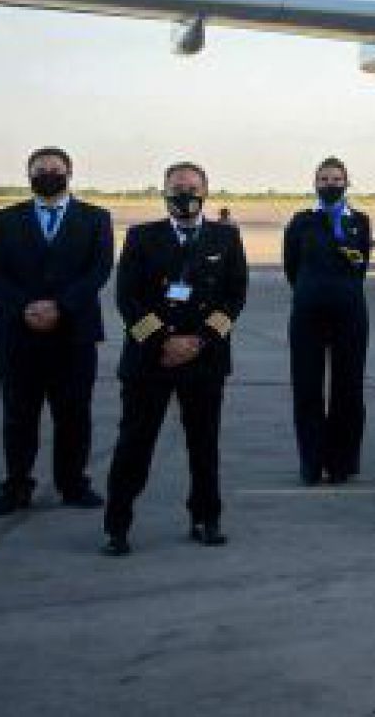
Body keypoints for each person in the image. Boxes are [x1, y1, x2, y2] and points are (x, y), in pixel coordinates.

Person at [101, 162, 247, 555]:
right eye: (176, 187)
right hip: (150, 361)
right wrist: (163, 342)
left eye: (192, 187)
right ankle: (117, 526)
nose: (184, 194)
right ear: (164, 191)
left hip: (204, 359)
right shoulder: (141, 237)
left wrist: (199, 341)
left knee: (204, 446)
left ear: (206, 191)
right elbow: (126, 299)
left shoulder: (226, 238)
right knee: (134, 444)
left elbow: (234, 298)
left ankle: (206, 518)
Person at [0, 146, 114, 516]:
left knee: (74, 413)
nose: (48, 174)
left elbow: (99, 270)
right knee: (19, 414)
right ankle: (16, 485)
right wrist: (25, 306)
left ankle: (73, 483)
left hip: (74, 334)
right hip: (18, 334)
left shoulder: (96, 218)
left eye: (55, 169)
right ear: (29, 175)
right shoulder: (6, 218)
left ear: (70, 173)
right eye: (40, 169)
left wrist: (61, 307)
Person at [282, 157, 372, 486]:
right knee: (307, 387)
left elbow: (360, 267)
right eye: (323, 179)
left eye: (336, 179)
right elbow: (291, 266)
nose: (330, 184)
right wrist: (312, 291)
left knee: (348, 388)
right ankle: (311, 461)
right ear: (315, 183)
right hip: (308, 313)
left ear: (347, 183)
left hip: (349, 313)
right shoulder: (302, 220)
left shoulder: (359, 221)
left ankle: (342, 462)